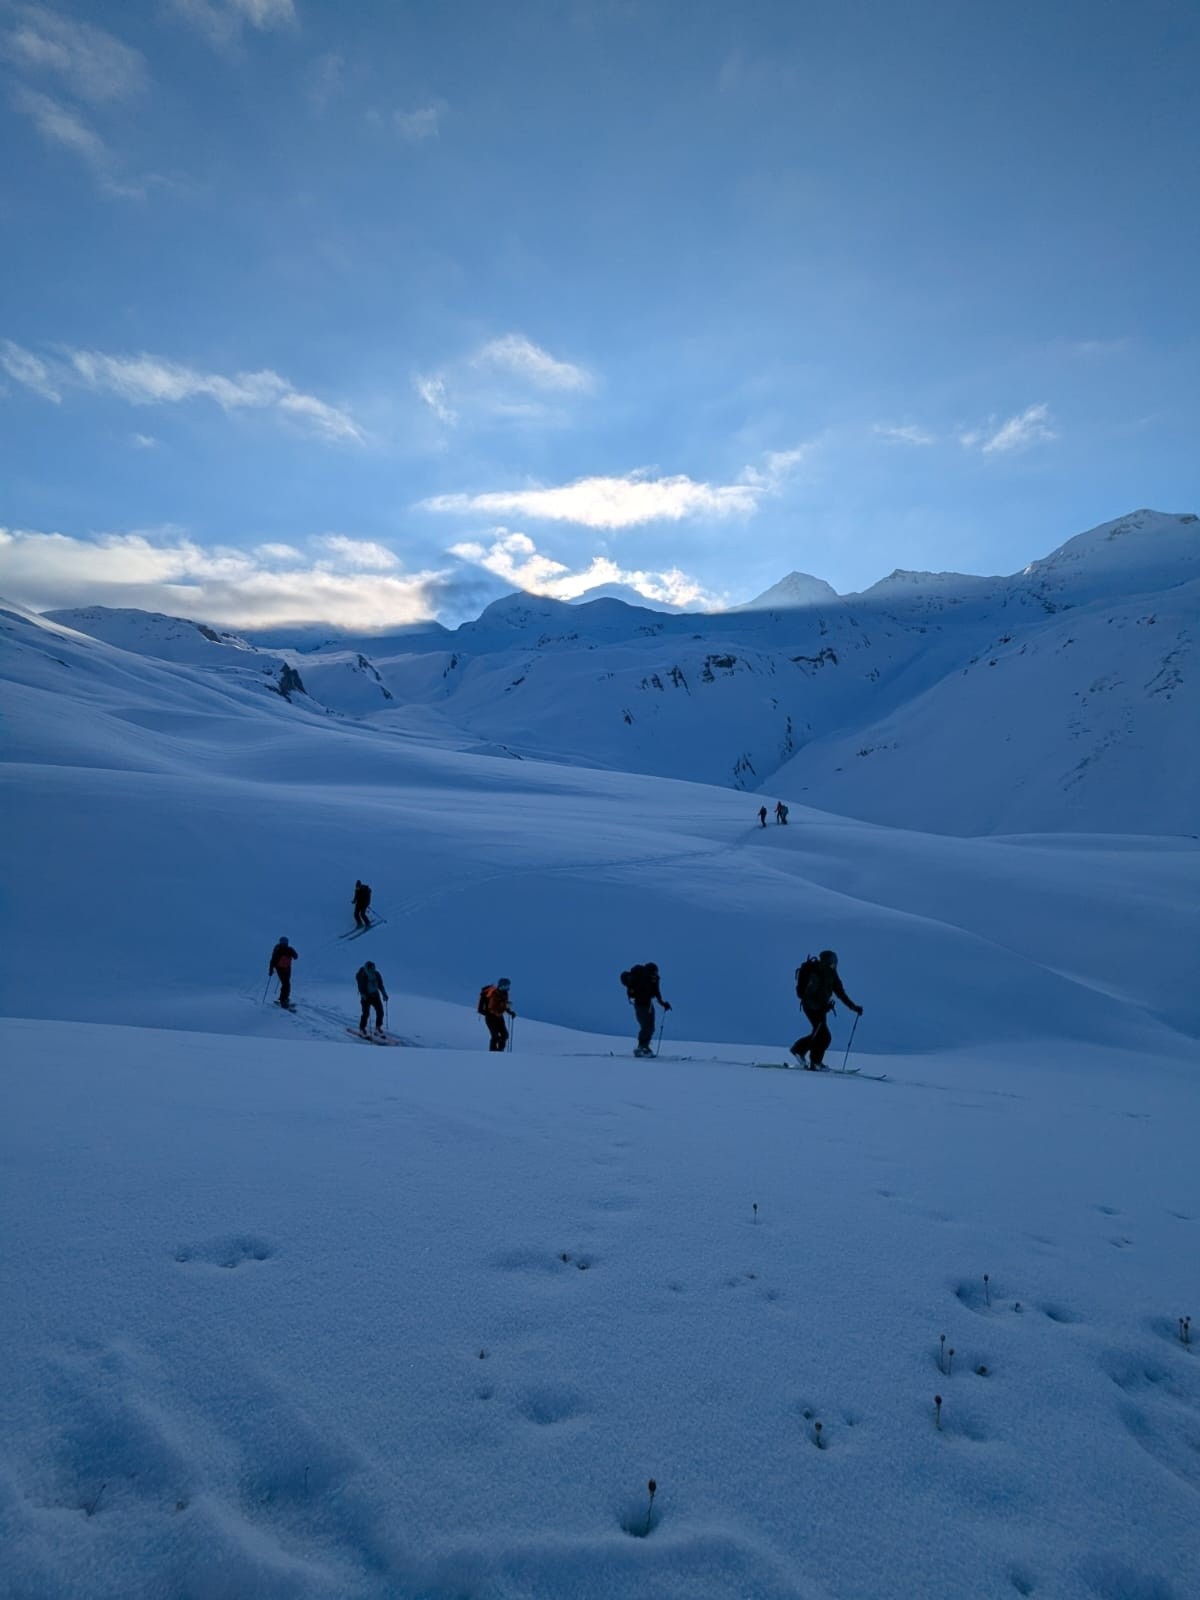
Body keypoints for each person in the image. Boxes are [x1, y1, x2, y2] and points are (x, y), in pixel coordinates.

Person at [790, 949, 863, 1069]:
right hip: (811, 1007)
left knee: (821, 1035)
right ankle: (804, 1054)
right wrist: (822, 1005)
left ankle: (812, 1059)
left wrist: (853, 1007)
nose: (835, 964)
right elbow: (809, 995)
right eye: (833, 962)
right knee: (824, 1036)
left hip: (821, 1008)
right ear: (827, 962)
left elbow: (840, 993)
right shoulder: (817, 974)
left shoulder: (832, 974)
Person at [620, 962, 672, 1058]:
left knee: (651, 1027)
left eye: (656, 973)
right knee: (645, 1026)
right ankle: (641, 1048)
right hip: (640, 1005)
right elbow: (632, 990)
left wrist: (663, 1004)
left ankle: (645, 1047)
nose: (655, 975)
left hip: (648, 1004)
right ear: (648, 972)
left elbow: (657, 993)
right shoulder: (640, 979)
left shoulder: (654, 980)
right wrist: (632, 996)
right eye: (654, 973)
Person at [478, 978, 516, 1052]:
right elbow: (492, 1008)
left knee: (505, 1035)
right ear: (500, 986)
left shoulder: (505, 994)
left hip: (499, 1017)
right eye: (505, 986)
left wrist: (510, 1012)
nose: (506, 988)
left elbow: (504, 1006)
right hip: (490, 1018)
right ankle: (493, 1053)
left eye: (507, 986)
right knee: (495, 1036)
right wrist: (504, 1005)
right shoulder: (494, 994)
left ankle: (500, 1051)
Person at [356, 960, 388, 1036]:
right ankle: (362, 1029)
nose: (373, 970)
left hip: (375, 994)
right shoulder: (362, 975)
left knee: (380, 1011)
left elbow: (380, 985)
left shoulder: (376, 974)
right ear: (368, 968)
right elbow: (360, 986)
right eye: (372, 968)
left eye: (374, 968)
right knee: (366, 1013)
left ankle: (378, 1028)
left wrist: (384, 994)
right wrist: (363, 995)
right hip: (366, 996)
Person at [269, 937, 298, 1008]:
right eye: (284, 942)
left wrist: (271, 970)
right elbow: (296, 956)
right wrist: (271, 969)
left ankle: (284, 998)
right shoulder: (283, 949)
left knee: (286, 984)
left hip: (284, 969)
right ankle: (283, 1000)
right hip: (284, 969)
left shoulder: (278, 949)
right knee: (286, 984)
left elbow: (272, 960)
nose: (284, 943)